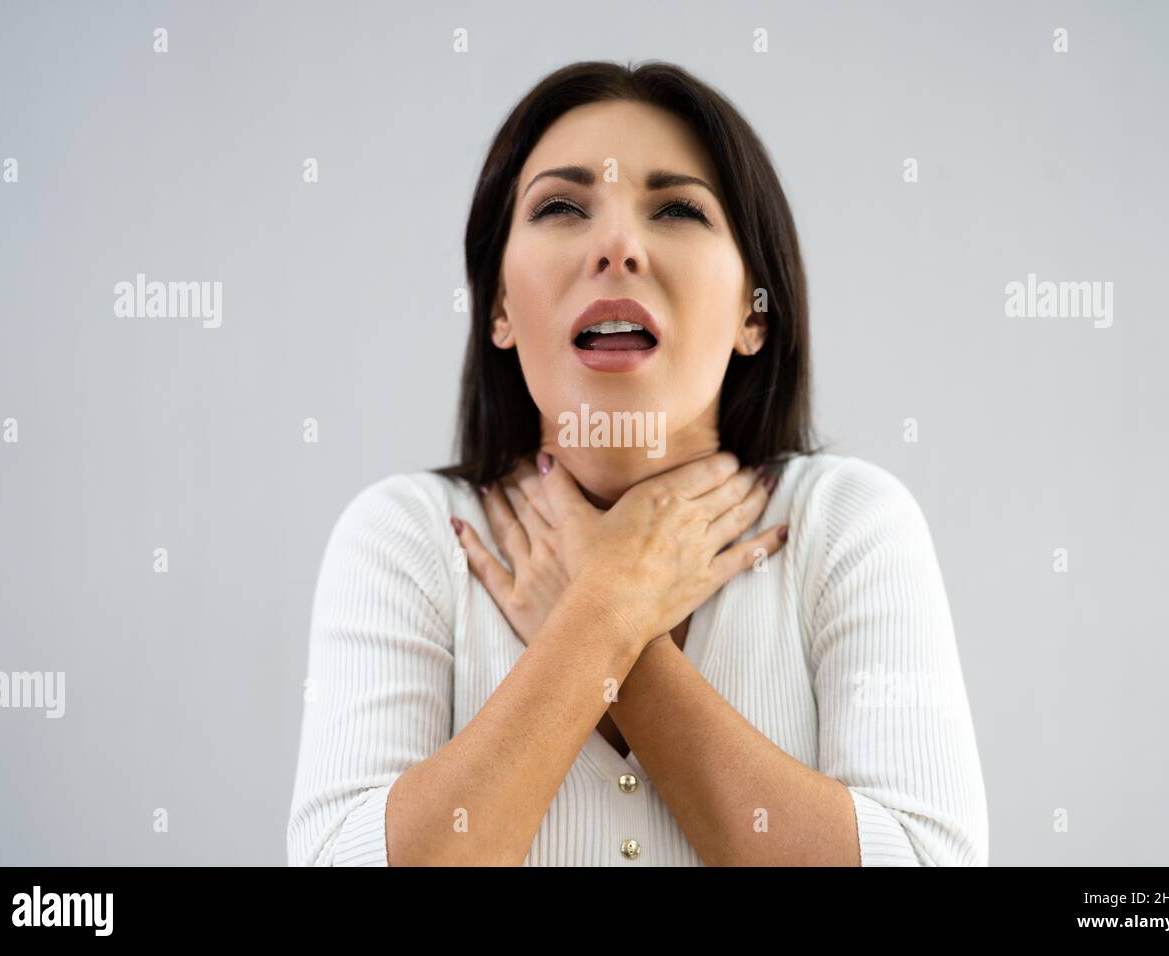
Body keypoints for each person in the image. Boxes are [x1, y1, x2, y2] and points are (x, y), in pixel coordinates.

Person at [287, 60, 988, 866]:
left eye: (678, 209)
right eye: (560, 207)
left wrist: (601, 612)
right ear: (501, 309)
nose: (617, 247)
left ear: (753, 311)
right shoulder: (406, 537)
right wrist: (609, 611)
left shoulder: (848, 523)